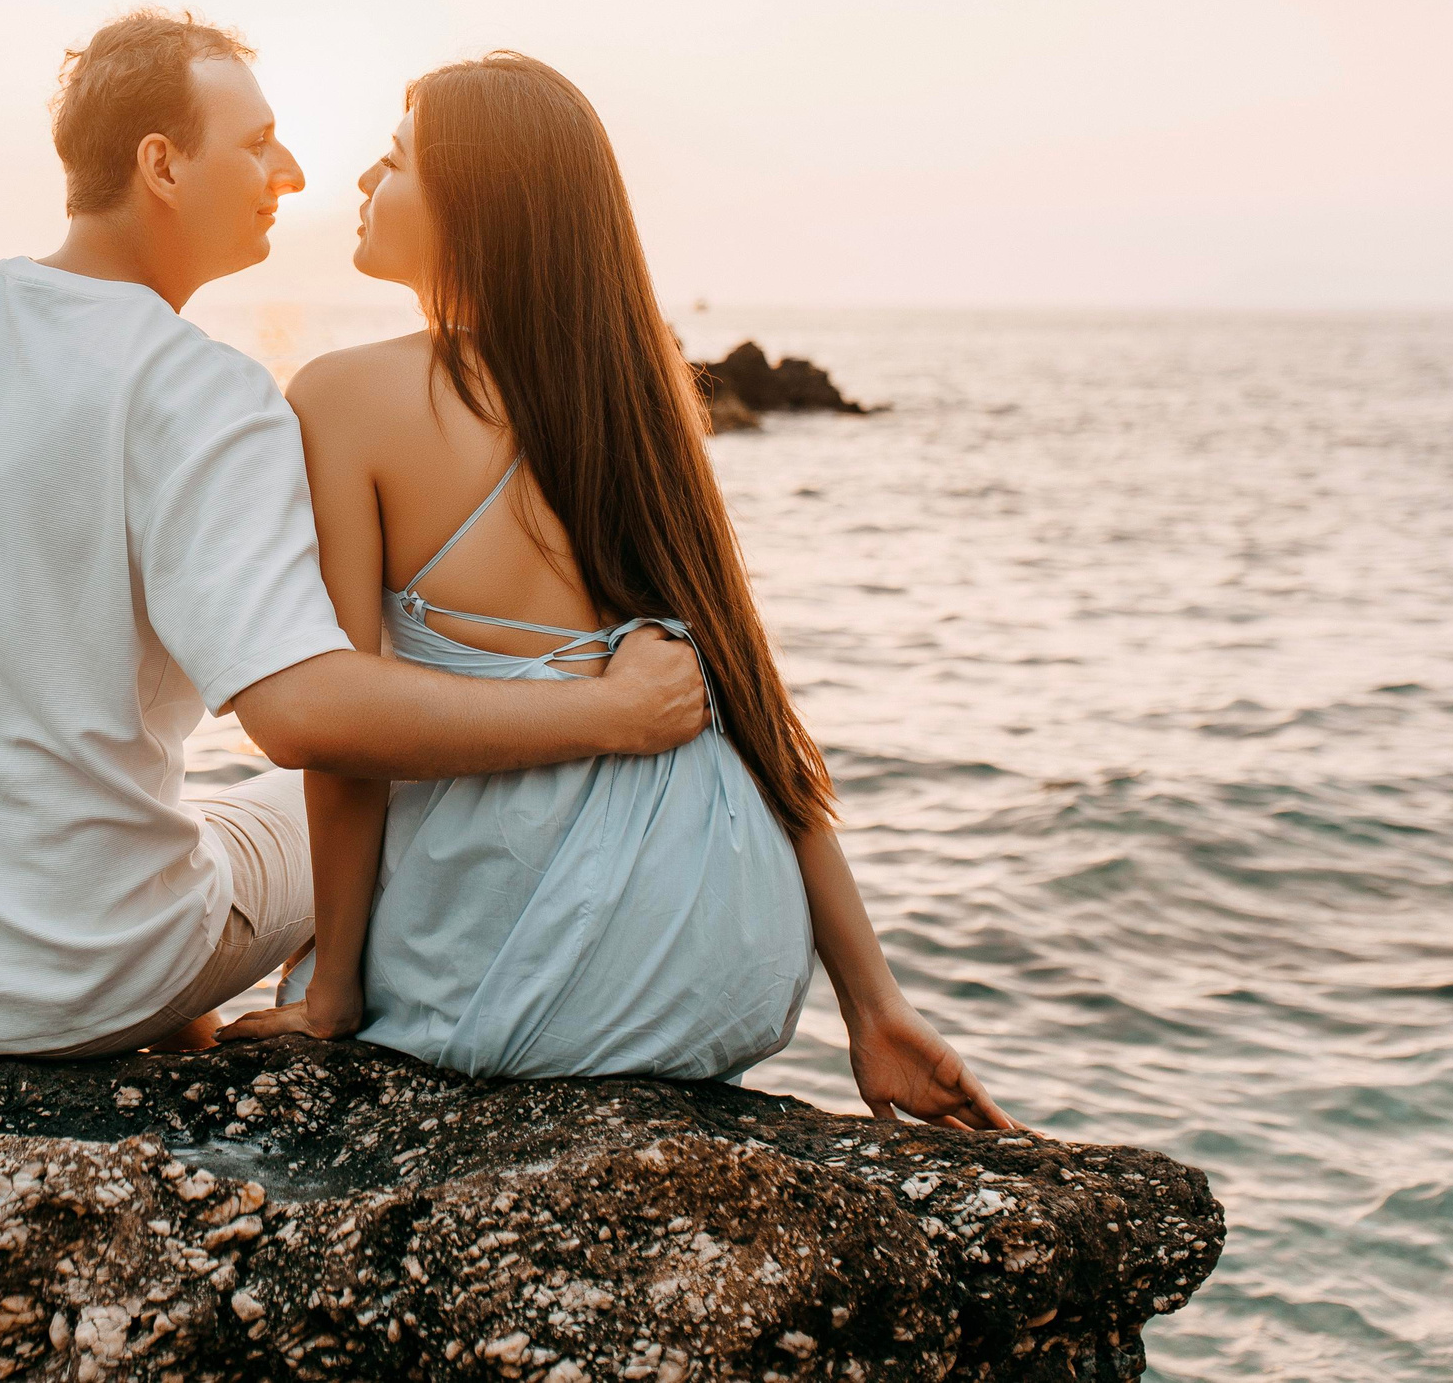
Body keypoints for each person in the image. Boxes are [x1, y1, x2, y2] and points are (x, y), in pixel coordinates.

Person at [0, 13, 716, 1059]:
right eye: (256, 143)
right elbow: (303, 717)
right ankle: (331, 1015)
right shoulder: (199, 389)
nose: (293, 172)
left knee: (180, 808)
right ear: (161, 164)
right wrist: (610, 712)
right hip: (73, 986)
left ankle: (182, 1016)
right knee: (363, 787)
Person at [219, 54, 1015, 1130]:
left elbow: (351, 744)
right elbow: (752, 702)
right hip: (726, 956)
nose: (363, 178)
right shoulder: (637, 398)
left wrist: (333, 995)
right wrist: (872, 1006)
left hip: (525, 963)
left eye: (396, 160)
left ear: (476, 207)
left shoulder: (342, 394)